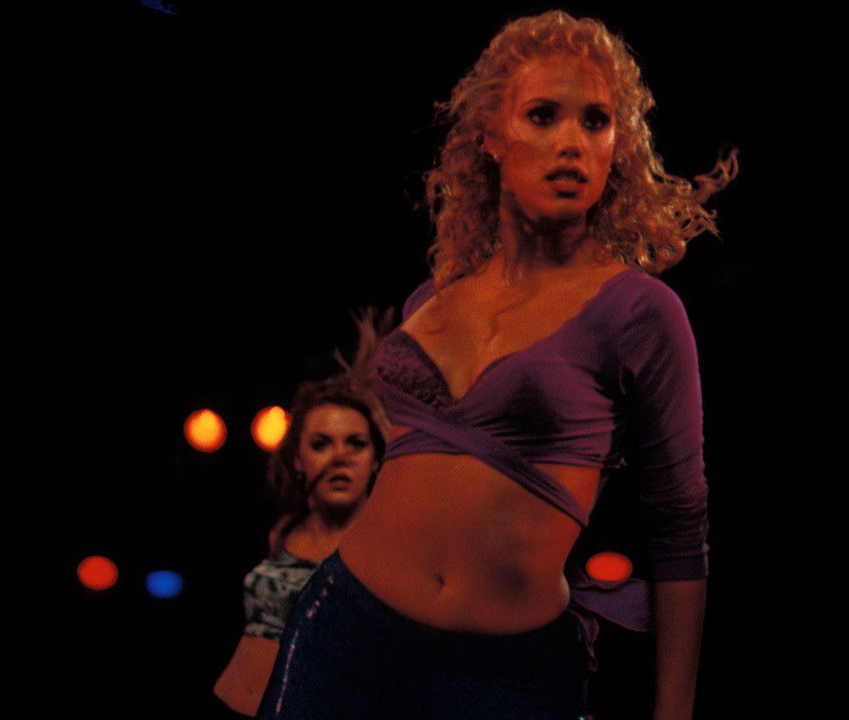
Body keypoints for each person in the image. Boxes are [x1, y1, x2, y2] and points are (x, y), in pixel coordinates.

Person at [258, 10, 735, 719]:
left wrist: (675, 712)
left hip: (504, 677)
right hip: (345, 634)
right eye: (543, 115)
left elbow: (679, 525)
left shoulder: (639, 310)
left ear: (619, 147)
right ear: (490, 133)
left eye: (596, 121)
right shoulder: (433, 298)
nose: (571, 142)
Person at [214, 371, 387, 716]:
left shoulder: (385, 546)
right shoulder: (282, 531)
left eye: (356, 443)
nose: (339, 456)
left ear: (376, 458)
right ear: (297, 458)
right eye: (321, 444)